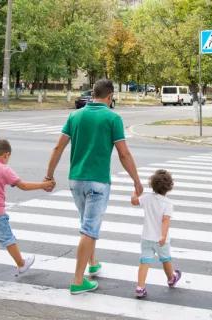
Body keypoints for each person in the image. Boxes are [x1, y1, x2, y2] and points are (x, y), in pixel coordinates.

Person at [44, 78, 143, 294]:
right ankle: (78, 281)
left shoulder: (75, 116)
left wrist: (48, 176)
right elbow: (124, 153)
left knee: (87, 224)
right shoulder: (112, 118)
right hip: (97, 181)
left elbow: (57, 148)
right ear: (109, 97)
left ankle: (93, 263)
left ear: (92, 95)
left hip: (75, 180)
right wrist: (136, 181)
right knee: (89, 229)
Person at [0, 139, 55, 294]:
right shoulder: (3, 169)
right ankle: (21, 264)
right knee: (9, 240)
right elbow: (22, 186)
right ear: (6, 155)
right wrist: (44, 185)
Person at [130, 169, 181, 298]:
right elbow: (165, 221)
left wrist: (135, 191)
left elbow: (134, 201)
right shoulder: (168, 204)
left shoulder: (146, 197)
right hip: (161, 240)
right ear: (170, 187)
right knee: (166, 259)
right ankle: (171, 278)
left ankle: (140, 287)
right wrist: (163, 235)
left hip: (147, 238)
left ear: (151, 185)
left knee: (144, 262)